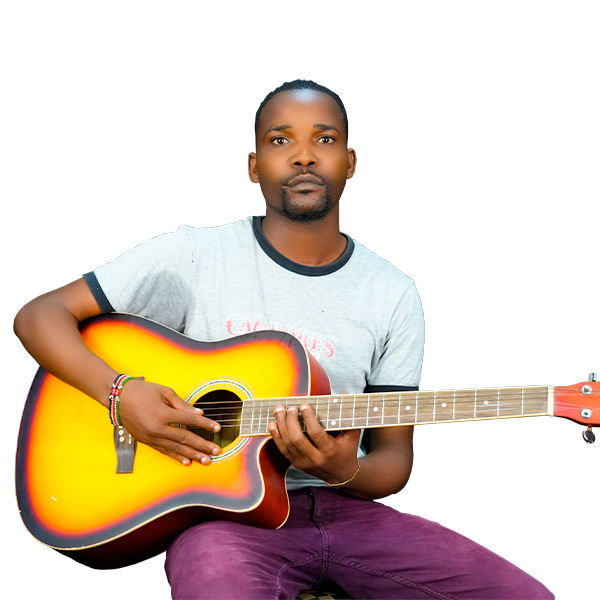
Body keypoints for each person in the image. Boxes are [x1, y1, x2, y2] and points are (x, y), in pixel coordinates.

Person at [14, 79, 553, 599]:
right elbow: (39, 316)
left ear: (350, 162)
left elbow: (393, 460)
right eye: (280, 140)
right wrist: (121, 394)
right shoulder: (193, 256)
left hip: (350, 516)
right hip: (225, 521)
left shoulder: (392, 293)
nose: (303, 156)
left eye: (325, 139)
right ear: (254, 166)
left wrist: (344, 470)